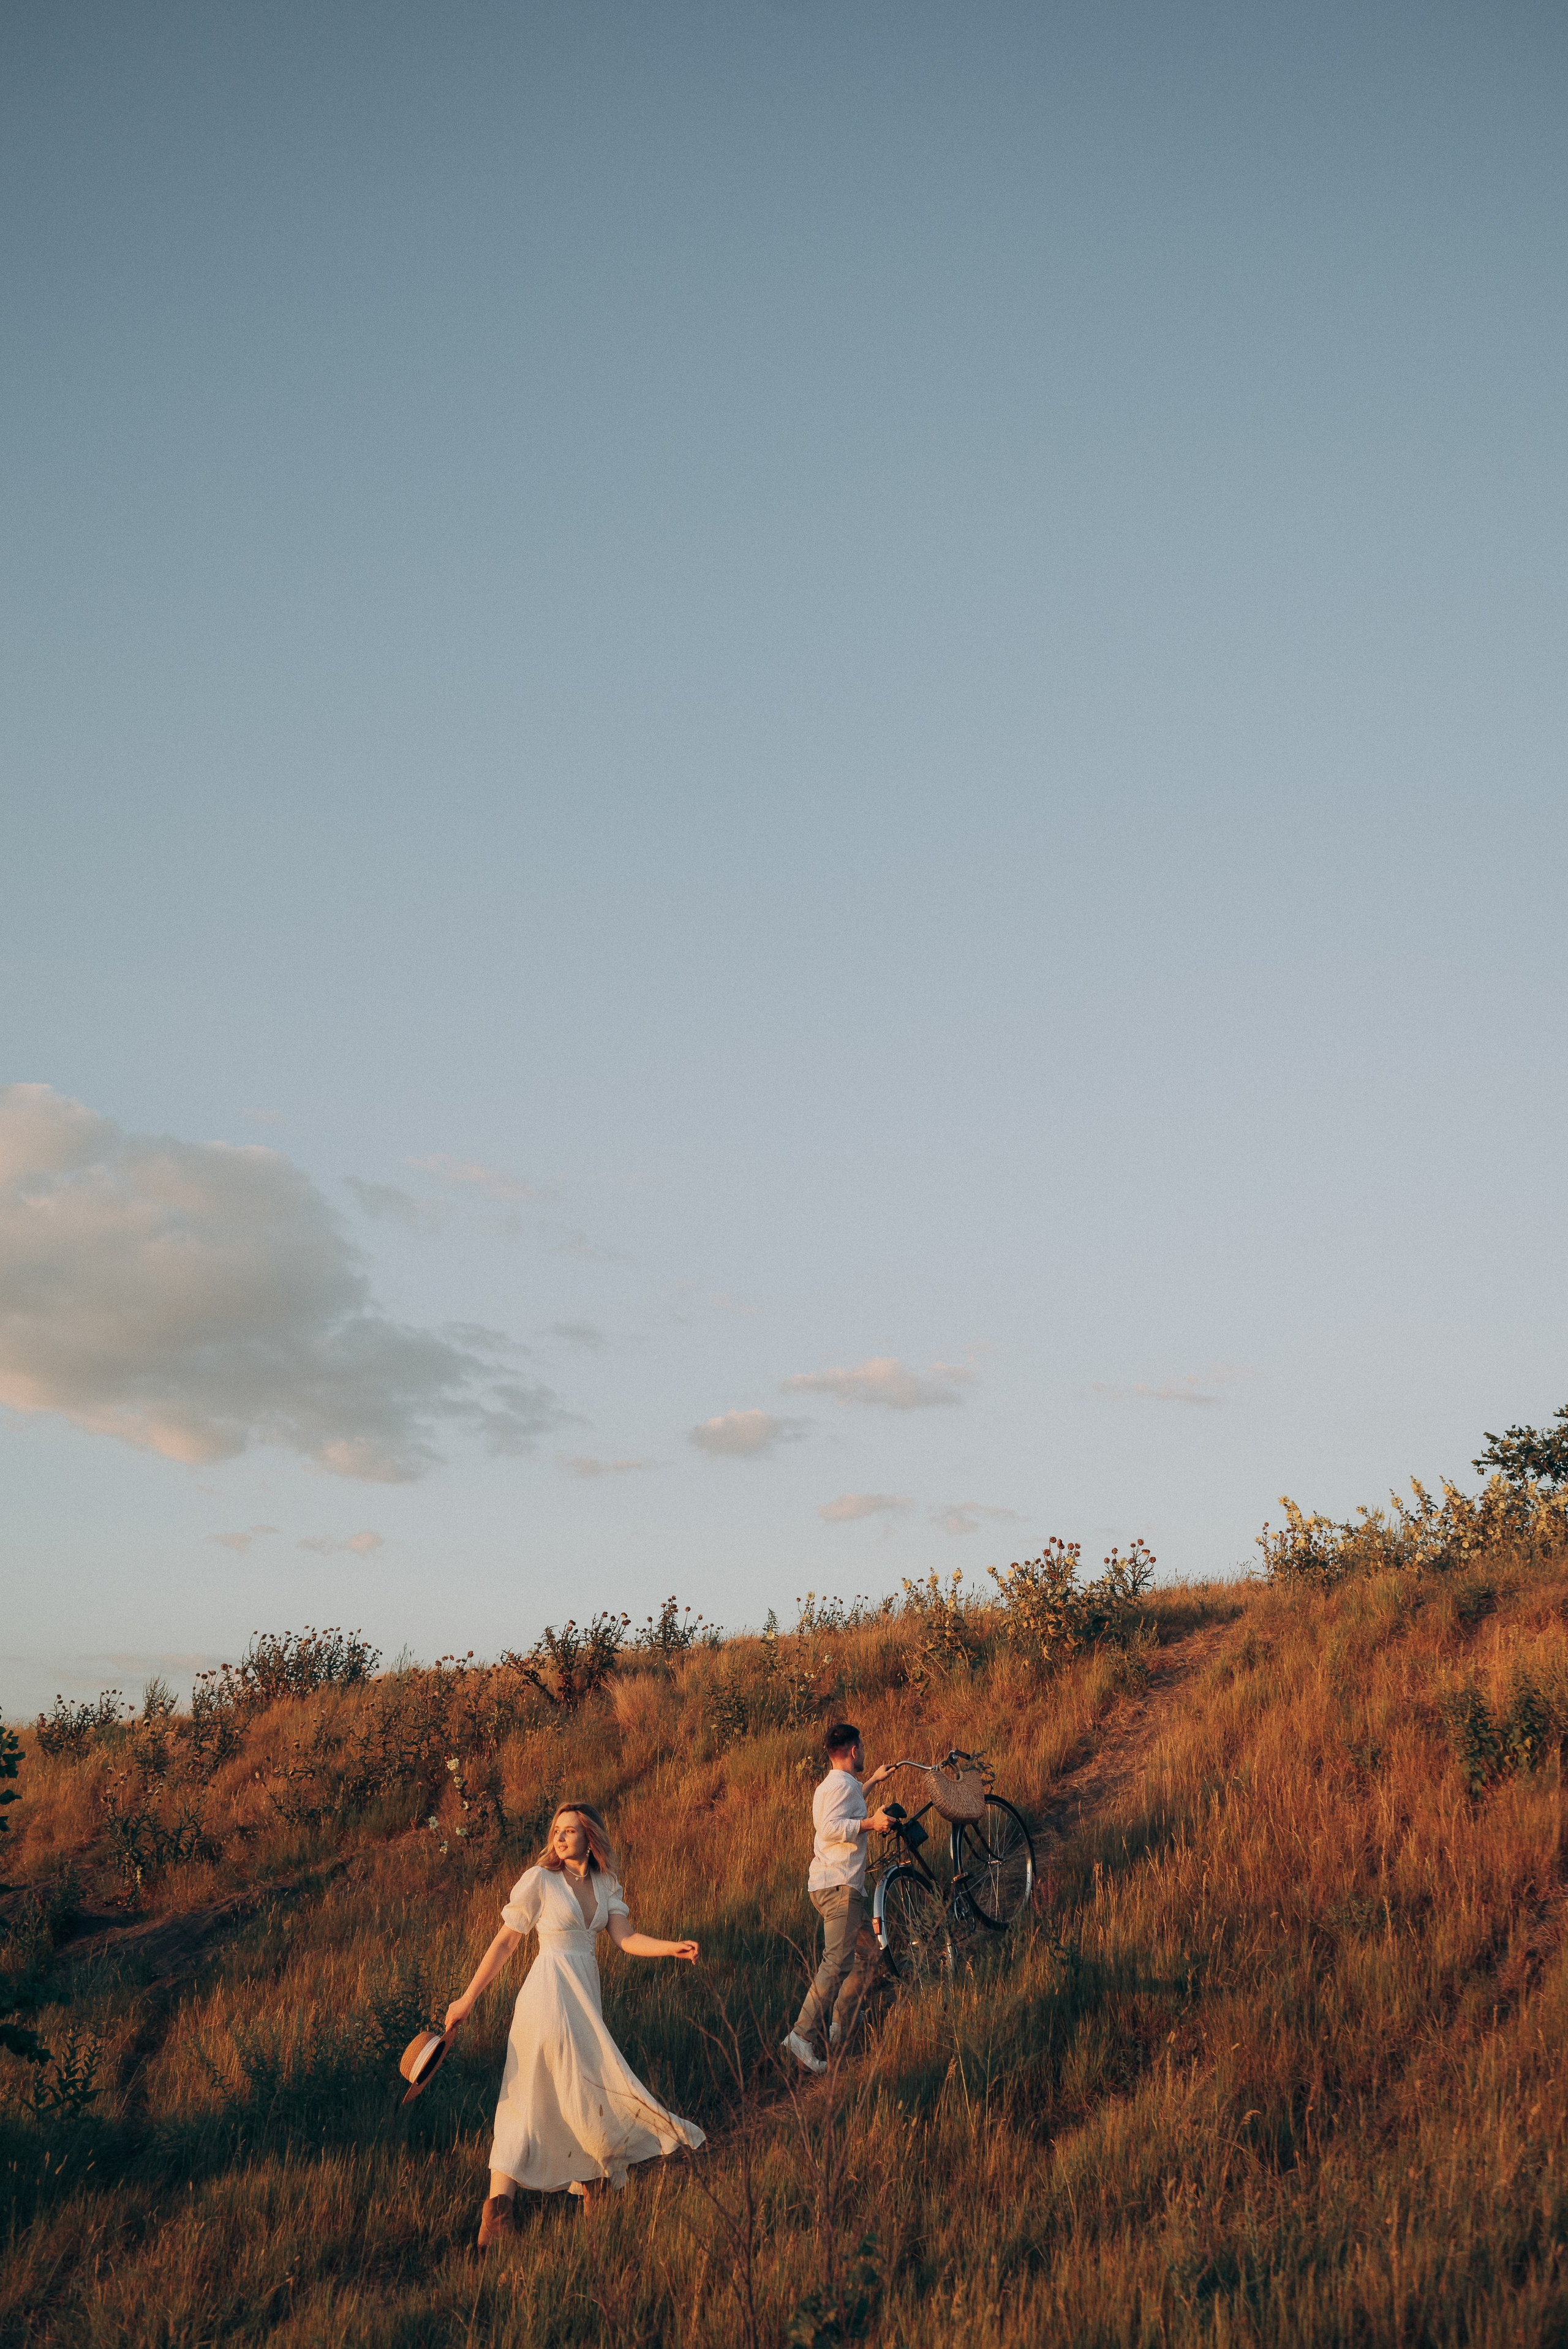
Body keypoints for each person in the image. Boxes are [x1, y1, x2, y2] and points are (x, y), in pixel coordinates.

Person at [443, 1801, 703, 2248]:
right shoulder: (541, 1880)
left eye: (569, 1831)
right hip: (546, 1999)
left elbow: (625, 1938)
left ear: (590, 1837)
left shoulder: (605, 1884)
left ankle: (590, 2195)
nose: (560, 1838)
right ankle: (497, 2219)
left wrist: (670, 1947)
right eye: (556, 1831)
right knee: (531, 2097)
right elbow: (506, 1941)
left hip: (584, 2001)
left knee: (582, 2091)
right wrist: (468, 1996)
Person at [781, 1722, 895, 2073]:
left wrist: (874, 1781)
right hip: (840, 1887)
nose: (863, 1751)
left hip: (833, 1886)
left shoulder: (834, 1785)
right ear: (854, 1750)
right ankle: (800, 2038)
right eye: (862, 1746)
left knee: (867, 1953)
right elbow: (830, 1827)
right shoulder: (841, 1787)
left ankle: (840, 2026)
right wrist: (871, 1824)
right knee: (836, 1962)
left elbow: (847, 1805)